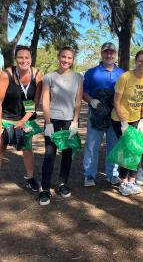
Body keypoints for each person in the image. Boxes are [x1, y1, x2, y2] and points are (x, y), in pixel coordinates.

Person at [38, 47, 83, 206]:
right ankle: (45, 188)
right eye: (63, 56)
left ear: (73, 60)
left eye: (69, 58)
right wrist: (48, 122)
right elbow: (45, 100)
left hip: (69, 121)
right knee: (49, 155)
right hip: (53, 121)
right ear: (59, 57)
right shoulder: (49, 77)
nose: (66, 60)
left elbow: (78, 101)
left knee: (67, 155)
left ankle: (62, 183)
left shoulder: (78, 77)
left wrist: (75, 121)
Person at [0, 45, 42, 190]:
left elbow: (35, 102)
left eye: (27, 57)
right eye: (20, 57)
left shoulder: (37, 74)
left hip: (26, 117)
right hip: (6, 117)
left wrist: (24, 120)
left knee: (27, 148)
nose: (24, 60)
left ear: (31, 59)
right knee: (0, 147)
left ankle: (30, 178)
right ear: (16, 59)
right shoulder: (6, 75)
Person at [82, 42, 124, 187]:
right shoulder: (91, 72)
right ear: (101, 53)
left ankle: (112, 174)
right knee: (92, 145)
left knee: (113, 145)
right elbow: (83, 91)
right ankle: (89, 175)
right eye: (106, 52)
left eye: (112, 52)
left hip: (114, 114)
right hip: (96, 112)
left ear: (115, 54)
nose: (109, 55)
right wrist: (92, 101)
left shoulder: (122, 73)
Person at [111, 50, 143, 196]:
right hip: (120, 119)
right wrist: (123, 122)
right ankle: (123, 182)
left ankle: (132, 181)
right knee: (126, 149)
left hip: (137, 119)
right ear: (135, 62)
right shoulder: (125, 77)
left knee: (137, 149)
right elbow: (116, 101)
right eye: (140, 61)